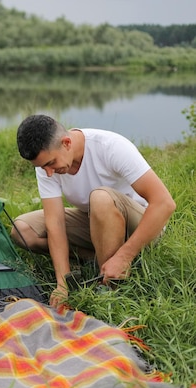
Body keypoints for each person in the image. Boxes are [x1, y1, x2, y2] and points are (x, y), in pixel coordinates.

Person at [11, 115, 175, 308]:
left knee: (100, 198)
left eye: (50, 164)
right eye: (41, 167)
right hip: (97, 223)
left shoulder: (110, 147)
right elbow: (55, 222)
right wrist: (63, 283)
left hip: (143, 227)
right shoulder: (48, 164)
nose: (48, 172)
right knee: (22, 230)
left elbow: (164, 203)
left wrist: (125, 256)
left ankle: (110, 288)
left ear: (66, 143)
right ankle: (102, 264)